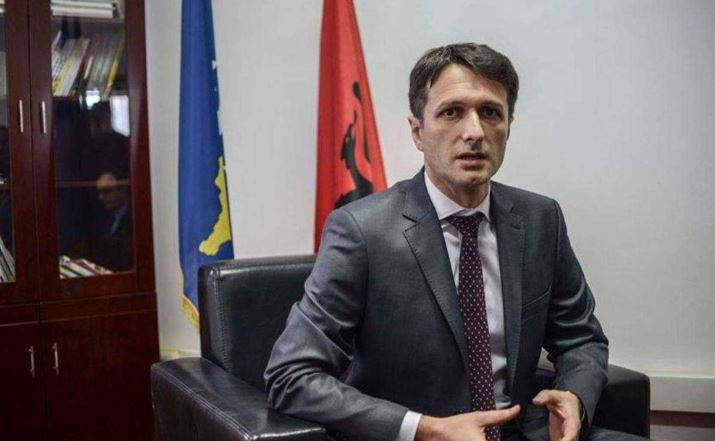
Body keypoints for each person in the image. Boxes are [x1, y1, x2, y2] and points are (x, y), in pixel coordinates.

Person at [265, 43, 648, 441]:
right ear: (418, 131)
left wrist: (574, 395)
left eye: (490, 113)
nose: (475, 132)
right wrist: (426, 429)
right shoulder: (361, 231)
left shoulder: (540, 219)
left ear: (509, 125)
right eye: (451, 112)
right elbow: (290, 375)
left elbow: (581, 338)